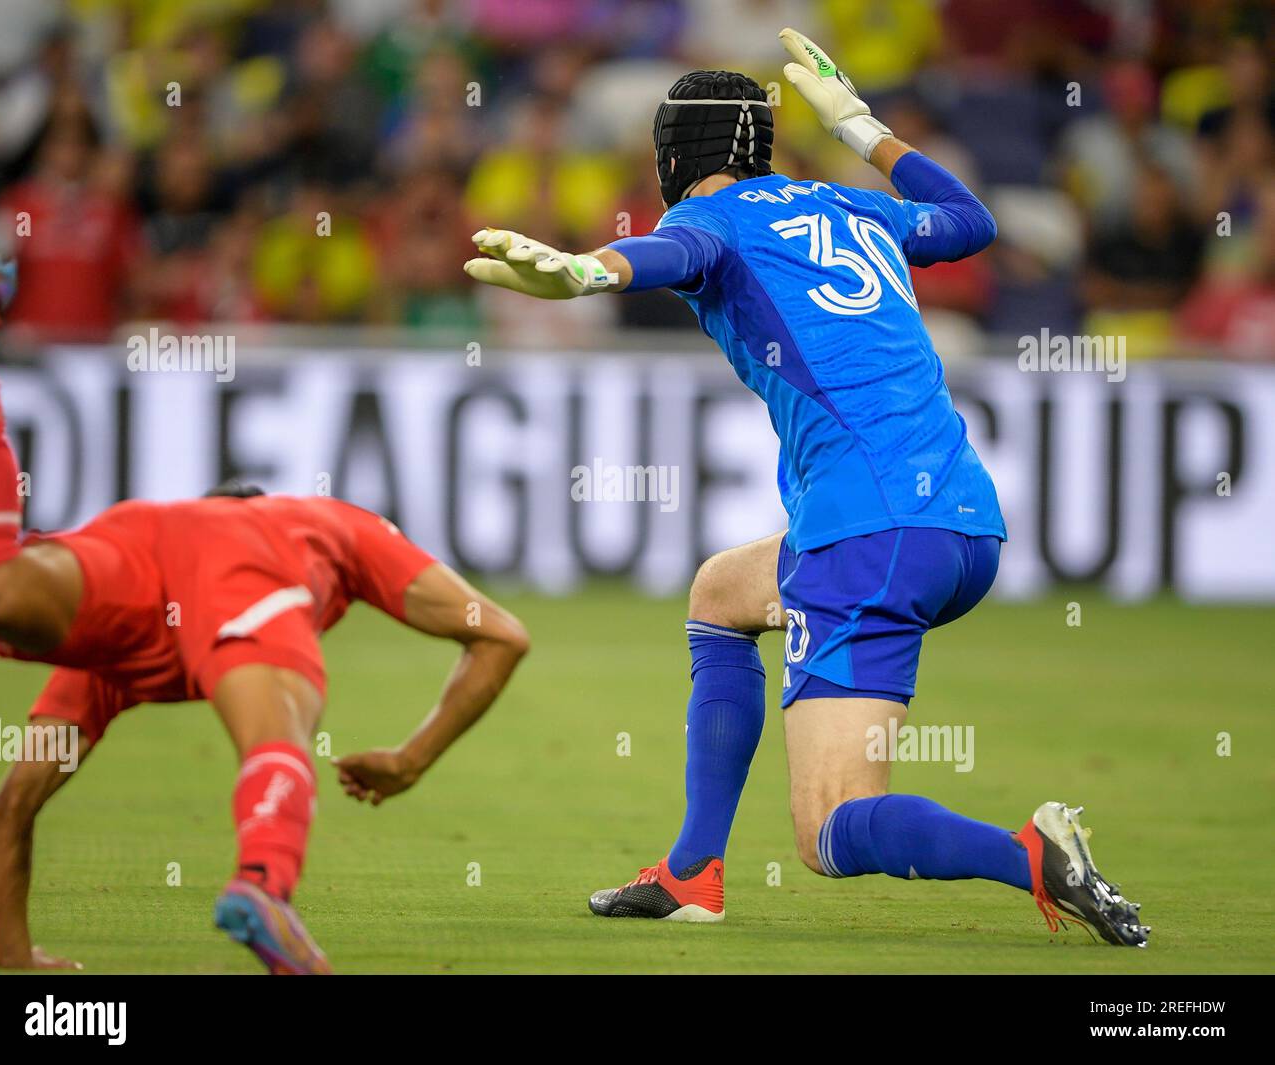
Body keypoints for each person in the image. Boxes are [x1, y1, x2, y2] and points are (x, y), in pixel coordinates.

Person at [463, 29, 1147, 946]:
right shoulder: (850, 205)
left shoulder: (708, 220)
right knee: (722, 592)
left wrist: (590, 270)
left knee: (831, 830)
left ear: (673, 156)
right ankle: (691, 871)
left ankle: (1032, 854)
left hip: (867, 536)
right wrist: (863, 126)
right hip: (962, 525)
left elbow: (661, 258)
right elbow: (975, 223)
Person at [0, 253, 530, 972]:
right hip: (244, 571)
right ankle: (263, 881)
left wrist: (18, 964)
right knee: (279, 736)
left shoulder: (110, 653)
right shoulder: (310, 521)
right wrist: (408, 760)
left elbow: (10, 812)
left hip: (131, 548)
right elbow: (501, 635)